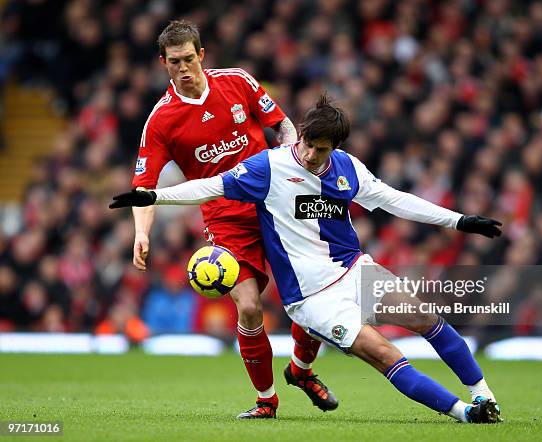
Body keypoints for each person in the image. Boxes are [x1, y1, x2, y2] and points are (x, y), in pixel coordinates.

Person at [113, 94, 503, 423]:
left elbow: (395, 199)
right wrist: (153, 196)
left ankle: (485, 397)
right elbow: (211, 187)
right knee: (386, 353)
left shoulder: (348, 168)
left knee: (427, 319)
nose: (313, 155)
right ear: (299, 136)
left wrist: (460, 221)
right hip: (312, 297)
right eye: (308, 145)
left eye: (323, 150)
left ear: (336, 148)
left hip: (353, 270)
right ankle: (465, 413)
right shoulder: (269, 167)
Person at [130, 20, 336, 419]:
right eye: (175, 62)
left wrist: (293, 163)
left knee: (314, 298)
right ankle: (266, 401)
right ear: (163, 63)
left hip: (275, 204)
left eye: (189, 58)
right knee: (248, 308)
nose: (184, 68)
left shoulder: (237, 82)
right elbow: (144, 186)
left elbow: (282, 126)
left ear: (201, 55)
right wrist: (141, 232)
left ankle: (302, 370)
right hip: (225, 220)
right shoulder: (161, 120)